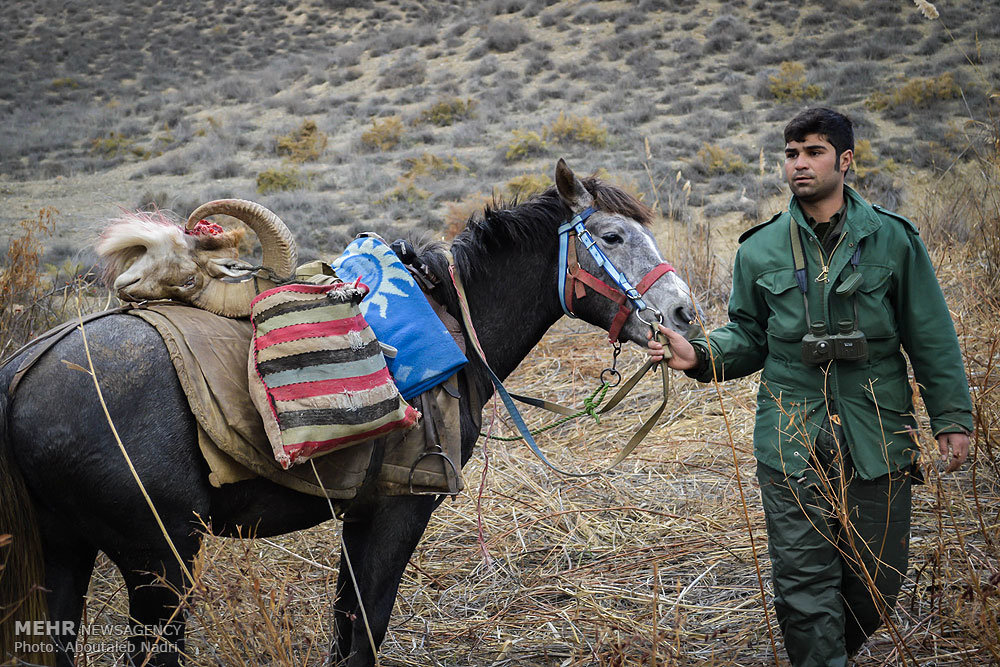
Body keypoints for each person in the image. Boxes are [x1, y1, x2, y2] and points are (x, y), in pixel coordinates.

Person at [648, 107, 973, 666]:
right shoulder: (760, 249)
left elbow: (932, 336)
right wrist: (699, 353)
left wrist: (952, 417)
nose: (799, 164)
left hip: (877, 432)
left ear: (845, 160)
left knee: (880, 581)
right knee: (803, 580)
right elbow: (750, 335)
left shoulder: (894, 241)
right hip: (791, 437)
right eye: (792, 153)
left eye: (814, 151)